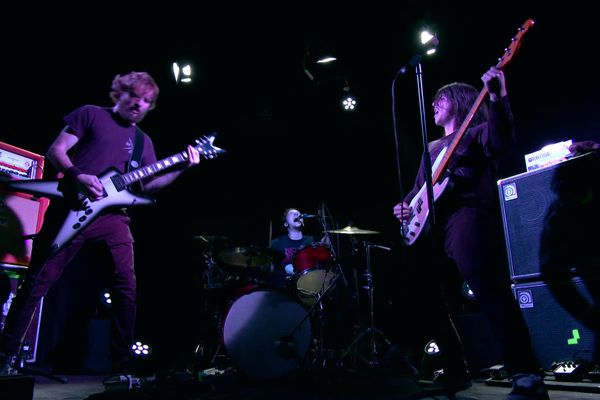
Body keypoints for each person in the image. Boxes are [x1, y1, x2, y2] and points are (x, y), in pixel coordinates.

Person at [0, 71, 202, 375]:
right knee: (36, 283)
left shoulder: (142, 142)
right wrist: (77, 175)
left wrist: (183, 166)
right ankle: (4, 356)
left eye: (146, 101)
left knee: (127, 288)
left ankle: (121, 366)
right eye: (134, 96)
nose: (139, 104)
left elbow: (147, 187)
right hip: (72, 209)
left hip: (113, 219)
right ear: (119, 92)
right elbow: (56, 150)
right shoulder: (90, 114)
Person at [393, 67, 548, 400]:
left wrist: (497, 96)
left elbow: (502, 140)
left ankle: (526, 375)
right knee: (424, 297)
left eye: (441, 97)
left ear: (461, 101)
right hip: (431, 227)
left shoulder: (476, 132)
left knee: (489, 289)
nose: (434, 102)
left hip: (467, 216)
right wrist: (405, 205)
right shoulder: (430, 148)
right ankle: (454, 366)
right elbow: (420, 189)